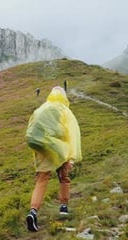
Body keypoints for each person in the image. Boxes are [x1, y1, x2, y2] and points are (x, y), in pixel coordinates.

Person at [25, 86, 82, 232]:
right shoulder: (64, 110)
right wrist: (71, 158)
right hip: (58, 146)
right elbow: (72, 135)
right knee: (64, 176)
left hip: (40, 145)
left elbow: (32, 130)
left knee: (42, 179)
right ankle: (63, 206)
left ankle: (33, 211)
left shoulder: (41, 108)